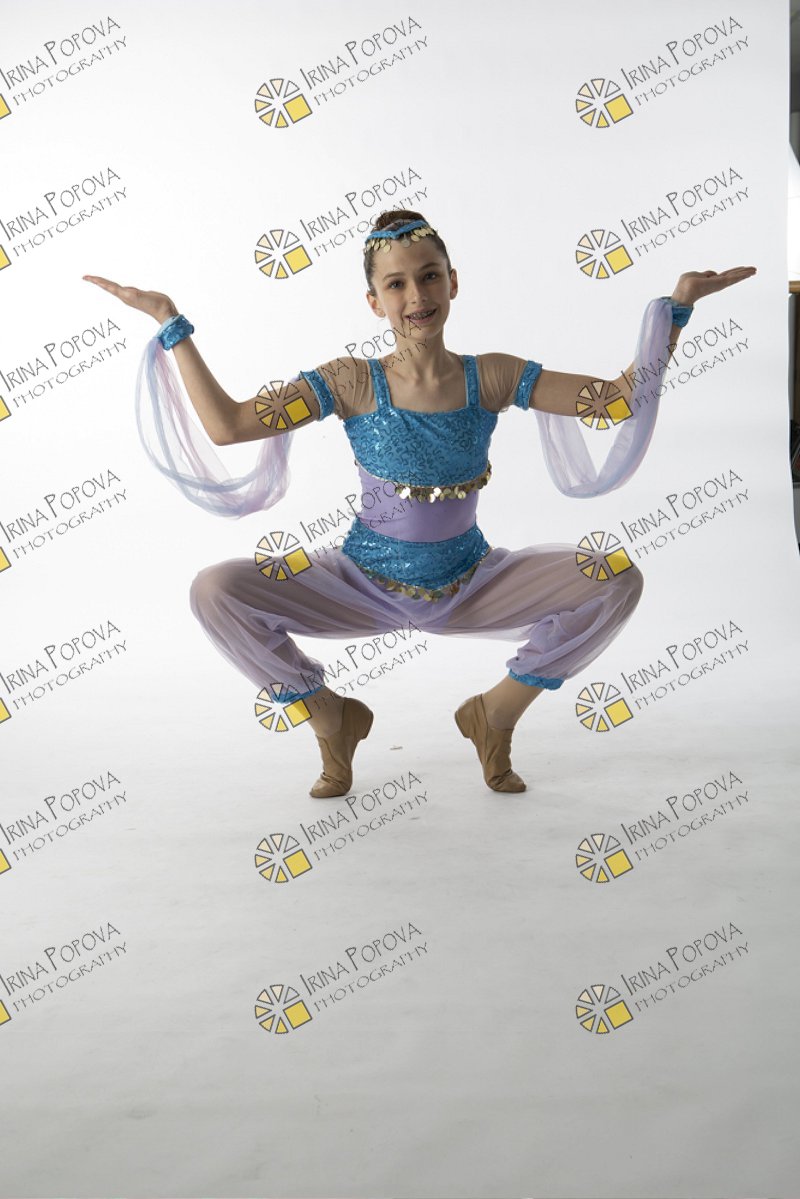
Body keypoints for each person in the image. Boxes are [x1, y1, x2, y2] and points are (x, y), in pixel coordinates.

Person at [83, 211, 755, 798]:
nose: (417, 296)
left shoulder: (491, 375)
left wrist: (675, 311)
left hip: (471, 581)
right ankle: (331, 718)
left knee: (616, 578)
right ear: (374, 301)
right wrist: (171, 323)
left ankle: (493, 714)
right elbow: (228, 425)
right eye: (397, 284)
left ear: (453, 282)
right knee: (214, 589)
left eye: (429, 277)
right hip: (357, 582)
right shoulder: (350, 381)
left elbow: (615, 401)